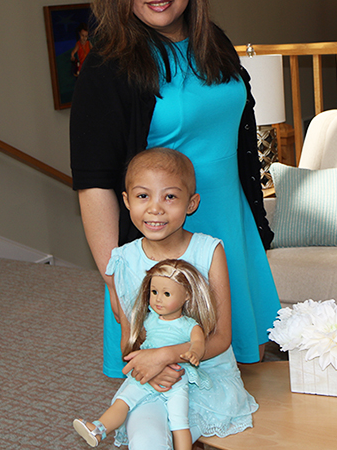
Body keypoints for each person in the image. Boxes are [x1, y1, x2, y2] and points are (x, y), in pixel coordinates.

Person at [69, 0, 281, 381]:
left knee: (245, 374)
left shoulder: (214, 41)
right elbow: (95, 182)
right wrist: (118, 277)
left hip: (231, 226)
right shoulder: (109, 65)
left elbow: (238, 138)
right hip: (166, 244)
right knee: (174, 384)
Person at [78, 147, 258, 449]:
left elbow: (222, 337)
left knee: (180, 435)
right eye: (143, 196)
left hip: (205, 378)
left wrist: (165, 356)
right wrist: (153, 367)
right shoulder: (123, 260)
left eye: (170, 197)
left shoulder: (209, 250)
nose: (155, 209)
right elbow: (129, 341)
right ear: (126, 201)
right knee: (145, 440)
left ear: (192, 203)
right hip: (149, 379)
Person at [73, 259, 215, 450]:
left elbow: (199, 344)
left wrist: (194, 354)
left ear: (187, 295)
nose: (158, 299)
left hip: (176, 379)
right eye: (154, 292)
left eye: (166, 294)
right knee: (123, 401)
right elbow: (138, 341)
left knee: (179, 421)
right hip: (145, 375)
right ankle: (98, 429)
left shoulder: (190, 325)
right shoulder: (149, 319)